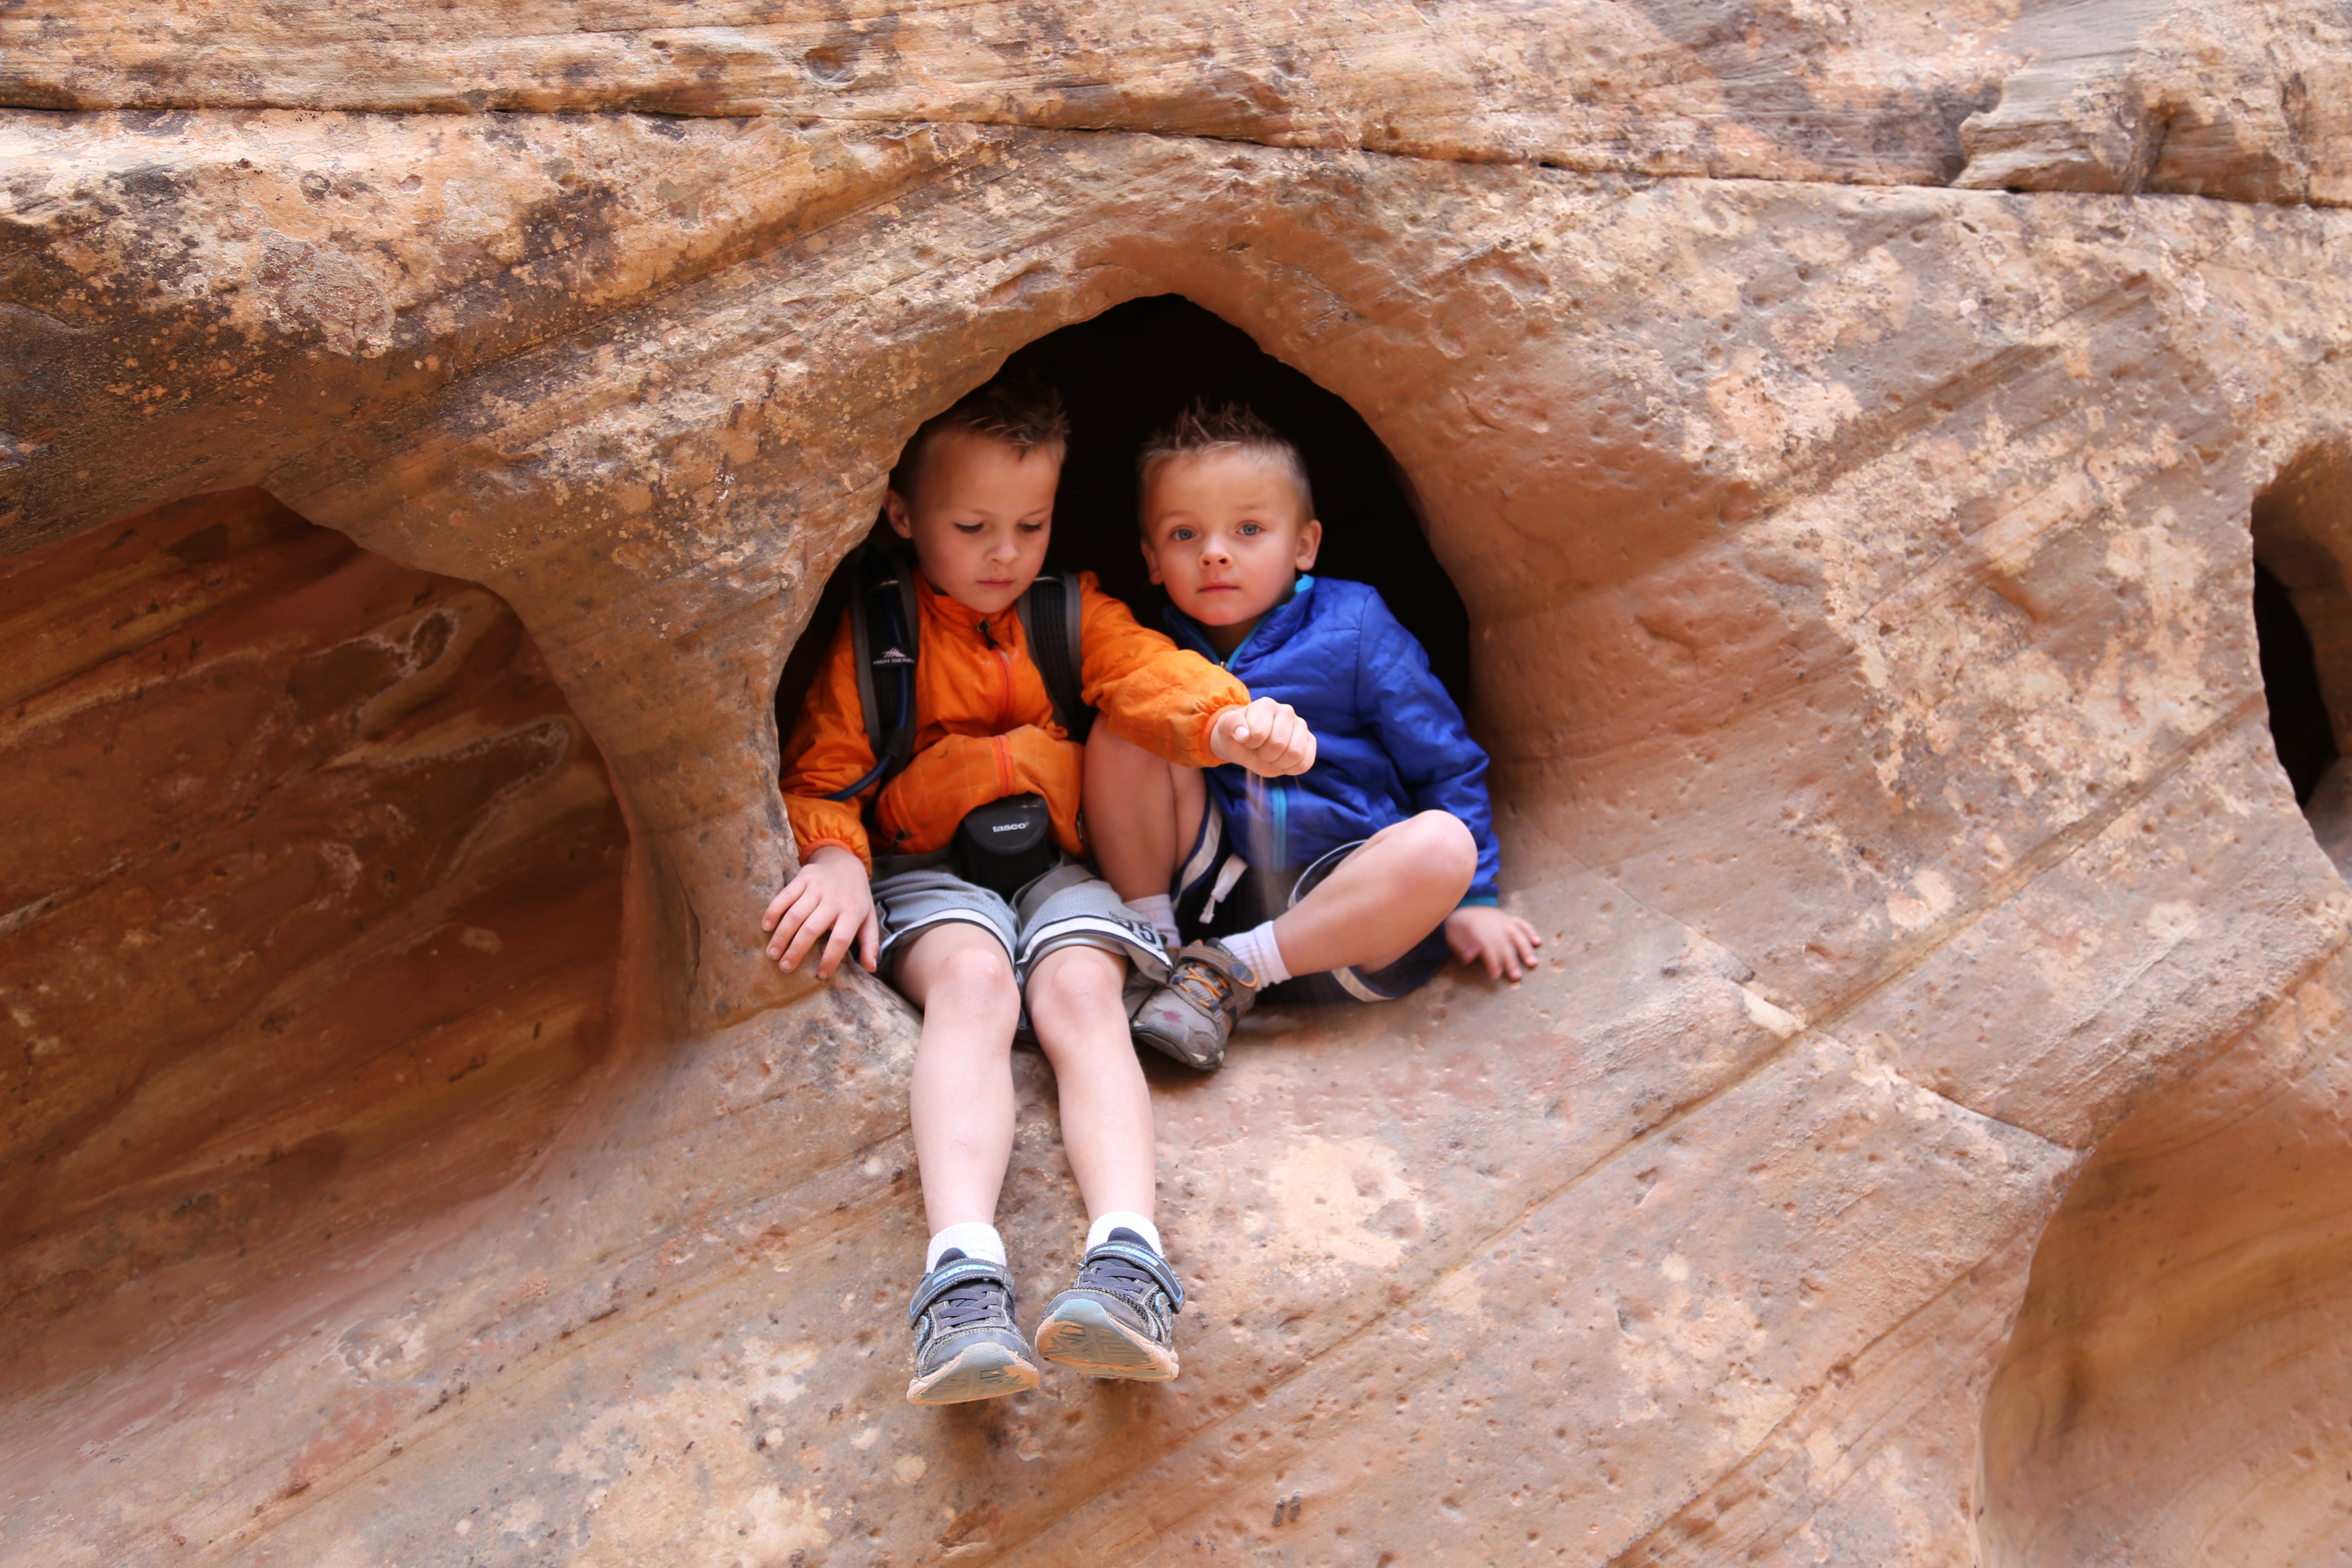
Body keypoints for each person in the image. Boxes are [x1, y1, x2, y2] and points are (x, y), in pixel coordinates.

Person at [762, 380, 1315, 1405]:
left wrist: (1230, 724)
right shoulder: (877, 634)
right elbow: (820, 771)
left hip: (1064, 869)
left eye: (1030, 523)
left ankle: (1129, 1263)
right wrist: (835, 854)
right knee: (976, 986)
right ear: (901, 517)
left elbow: (1147, 675)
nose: (1005, 553)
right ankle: (961, 1279)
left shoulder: (1068, 611)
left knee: (1079, 994)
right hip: (926, 876)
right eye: (971, 527)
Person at [1087, 401, 1543, 1069]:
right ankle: (1155, 953)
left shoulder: (1353, 625)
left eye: (1248, 529)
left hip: (1349, 902)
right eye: (1185, 535)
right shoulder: (1157, 646)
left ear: (1304, 545)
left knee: (1444, 845)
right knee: (1129, 721)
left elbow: (1445, 762)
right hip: (1214, 887)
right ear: (1152, 558)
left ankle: (1229, 972)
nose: (1215, 552)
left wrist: (1474, 900)